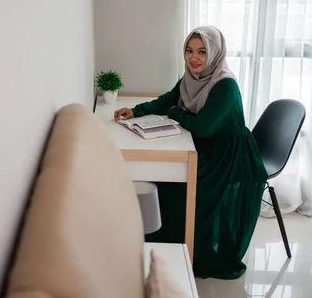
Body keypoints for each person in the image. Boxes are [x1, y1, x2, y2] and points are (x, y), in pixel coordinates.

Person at [114, 26, 267, 280]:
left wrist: (176, 113)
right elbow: (168, 99)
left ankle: (187, 251)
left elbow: (203, 126)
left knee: (176, 186)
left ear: (215, 54)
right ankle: (164, 246)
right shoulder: (191, 78)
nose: (194, 58)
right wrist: (136, 110)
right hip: (205, 145)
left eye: (202, 52)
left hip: (227, 155)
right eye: (189, 51)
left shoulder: (224, 85)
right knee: (163, 182)